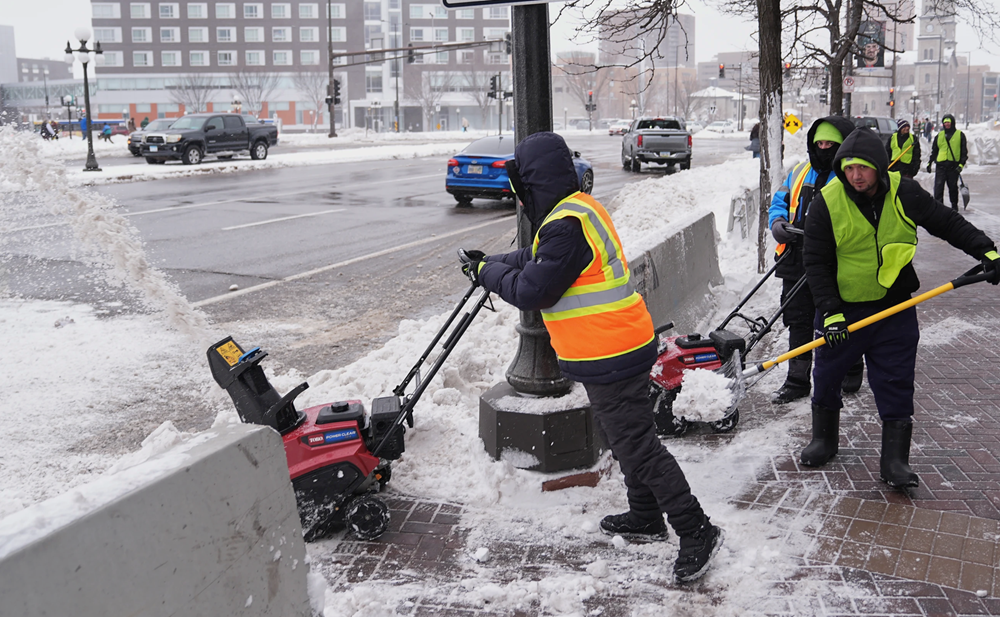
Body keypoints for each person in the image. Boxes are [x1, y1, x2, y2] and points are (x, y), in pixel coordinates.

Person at [458, 131, 724, 583]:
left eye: (522, 189)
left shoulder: (563, 225)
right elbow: (533, 257)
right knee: (628, 440)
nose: (521, 199)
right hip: (621, 345)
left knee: (639, 447)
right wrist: (492, 260)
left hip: (612, 354)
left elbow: (533, 289)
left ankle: (696, 529)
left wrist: (487, 273)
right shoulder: (579, 210)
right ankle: (644, 514)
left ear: (533, 185)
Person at [801, 128, 999, 488]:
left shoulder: (904, 192)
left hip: (893, 309)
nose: (855, 175)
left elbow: (947, 222)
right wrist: (830, 312)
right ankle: (825, 439)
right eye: (848, 168)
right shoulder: (826, 203)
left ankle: (894, 460)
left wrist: (985, 249)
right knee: (828, 374)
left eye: (863, 168)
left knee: (896, 380)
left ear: (878, 166)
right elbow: (815, 263)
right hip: (842, 311)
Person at [768, 116, 864, 405]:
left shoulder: (850, 176)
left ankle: (851, 364)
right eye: (819, 143)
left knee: (836, 318)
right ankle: (797, 379)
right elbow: (780, 200)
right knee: (798, 319)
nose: (823, 148)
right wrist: (778, 221)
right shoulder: (799, 171)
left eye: (830, 144)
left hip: (833, 262)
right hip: (795, 256)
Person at [927, 114, 968, 211]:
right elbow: (934, 151)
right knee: (938, 188)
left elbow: (964, 152)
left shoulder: (960, 135)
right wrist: (930, 163)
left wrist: (961, 165)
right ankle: (939, 208)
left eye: (948, 122)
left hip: (953, 167)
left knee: (953, 188)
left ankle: (954, 206)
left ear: (952, 123)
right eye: (945, 122)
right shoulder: (939, 135)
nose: (947, 124)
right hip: (940, 166)